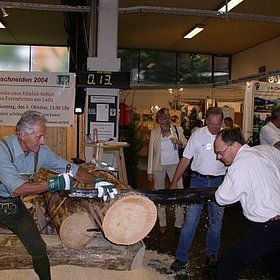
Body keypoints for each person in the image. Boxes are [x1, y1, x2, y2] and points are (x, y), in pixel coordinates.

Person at [0, 110, 116, 280]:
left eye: (43, 136)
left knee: (38, 247)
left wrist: (97, 180)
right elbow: (17, 188)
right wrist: (53, 184)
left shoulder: (42, 152)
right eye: (39, 136)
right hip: (12, 195)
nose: (43, 141)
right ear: (22, 134)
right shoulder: (3, 150)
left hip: (10, 205)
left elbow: (73, 170)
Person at [214, 127, 280, 280]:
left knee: (227, 266)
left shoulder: (240, 163)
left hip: (269, 228)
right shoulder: (265, 150)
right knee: (275, 266)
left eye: (220, 152)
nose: (218, 157)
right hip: (275, 223)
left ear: (235, 145)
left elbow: (221, 198)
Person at [170, 107, 227, 271]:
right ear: (206, 121)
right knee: (190, 222)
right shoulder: (198, 135)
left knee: (216, 222)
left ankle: (212, 254)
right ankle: (181, 257)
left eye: (218, 124)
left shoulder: (227, 136)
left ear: (222, 121)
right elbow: (185, 159)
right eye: (211, 124)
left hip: (219, 183)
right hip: (198, 181)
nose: (215, 128)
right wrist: (175, 181)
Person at [147, 108, 187, 234]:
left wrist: (179, 141)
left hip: (175, 165)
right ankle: (162, 222)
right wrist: (149, 171)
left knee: (179, 192)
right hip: (158, 166)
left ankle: (179, 223)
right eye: (160, 118)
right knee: (160, 194)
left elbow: (186, 144)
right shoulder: (154, 132)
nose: (162, 121)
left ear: (168, 118)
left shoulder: (177, 130)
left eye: (164, 118)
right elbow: (151, 153)